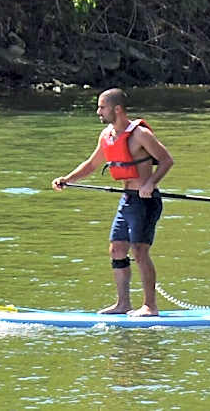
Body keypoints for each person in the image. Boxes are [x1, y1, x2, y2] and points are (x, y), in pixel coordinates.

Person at [51, 88, 174, 316]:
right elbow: (90, 165)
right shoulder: (107, 135)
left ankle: (150, 306)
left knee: (139, 251)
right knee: (117, 249)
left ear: (117, 109)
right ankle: (123, 304)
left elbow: (167, 160)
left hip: (146, 201)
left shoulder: (140, 135)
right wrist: (67, 179)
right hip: (126, 200)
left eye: (102, 107)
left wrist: (150, 184)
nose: (98, 111)